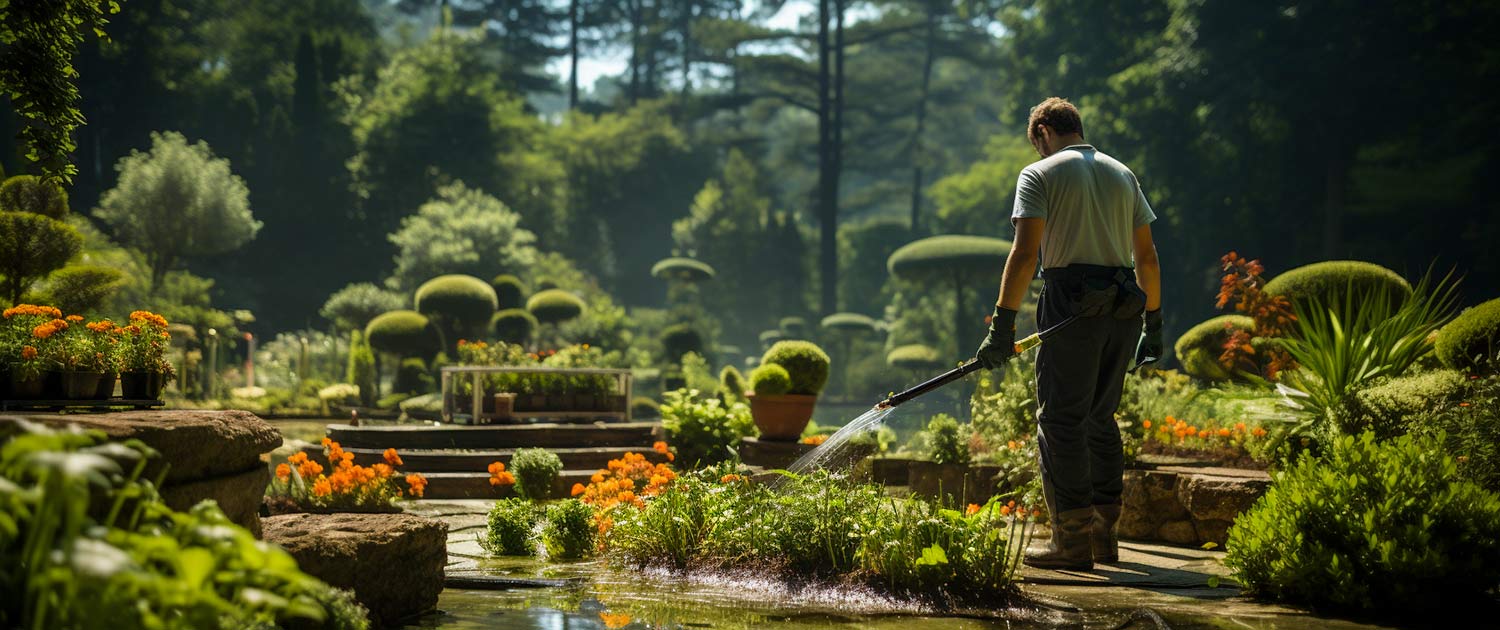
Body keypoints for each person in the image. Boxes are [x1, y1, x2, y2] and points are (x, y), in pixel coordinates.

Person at [974, 97, 1163, 571]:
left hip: (1070, 300)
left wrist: (1002, 325)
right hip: (1125, 304)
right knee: (1101, 418)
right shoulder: (1123, 174)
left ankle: (1071, 544)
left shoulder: (1039, 174)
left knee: (1059, 421)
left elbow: (1023, 254)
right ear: (1077, 126)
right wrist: (1154, 323)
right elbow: (1148, 257)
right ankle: (1105, 539)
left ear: (1042, 132)